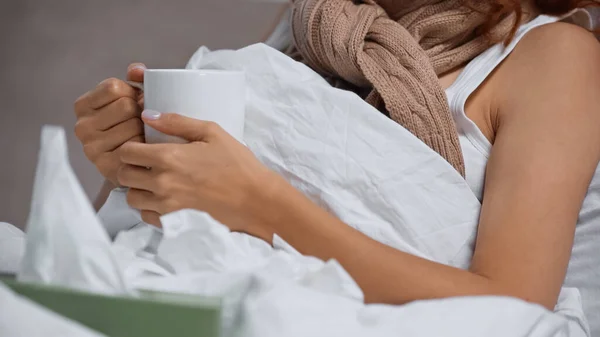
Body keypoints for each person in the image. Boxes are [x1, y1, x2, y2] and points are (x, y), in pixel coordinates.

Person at [74, 0, 600, 332]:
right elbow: (160, 227)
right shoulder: (311, 22)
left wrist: (259, 206)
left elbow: (513, 308)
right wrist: (131, 161)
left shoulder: (554, 55)